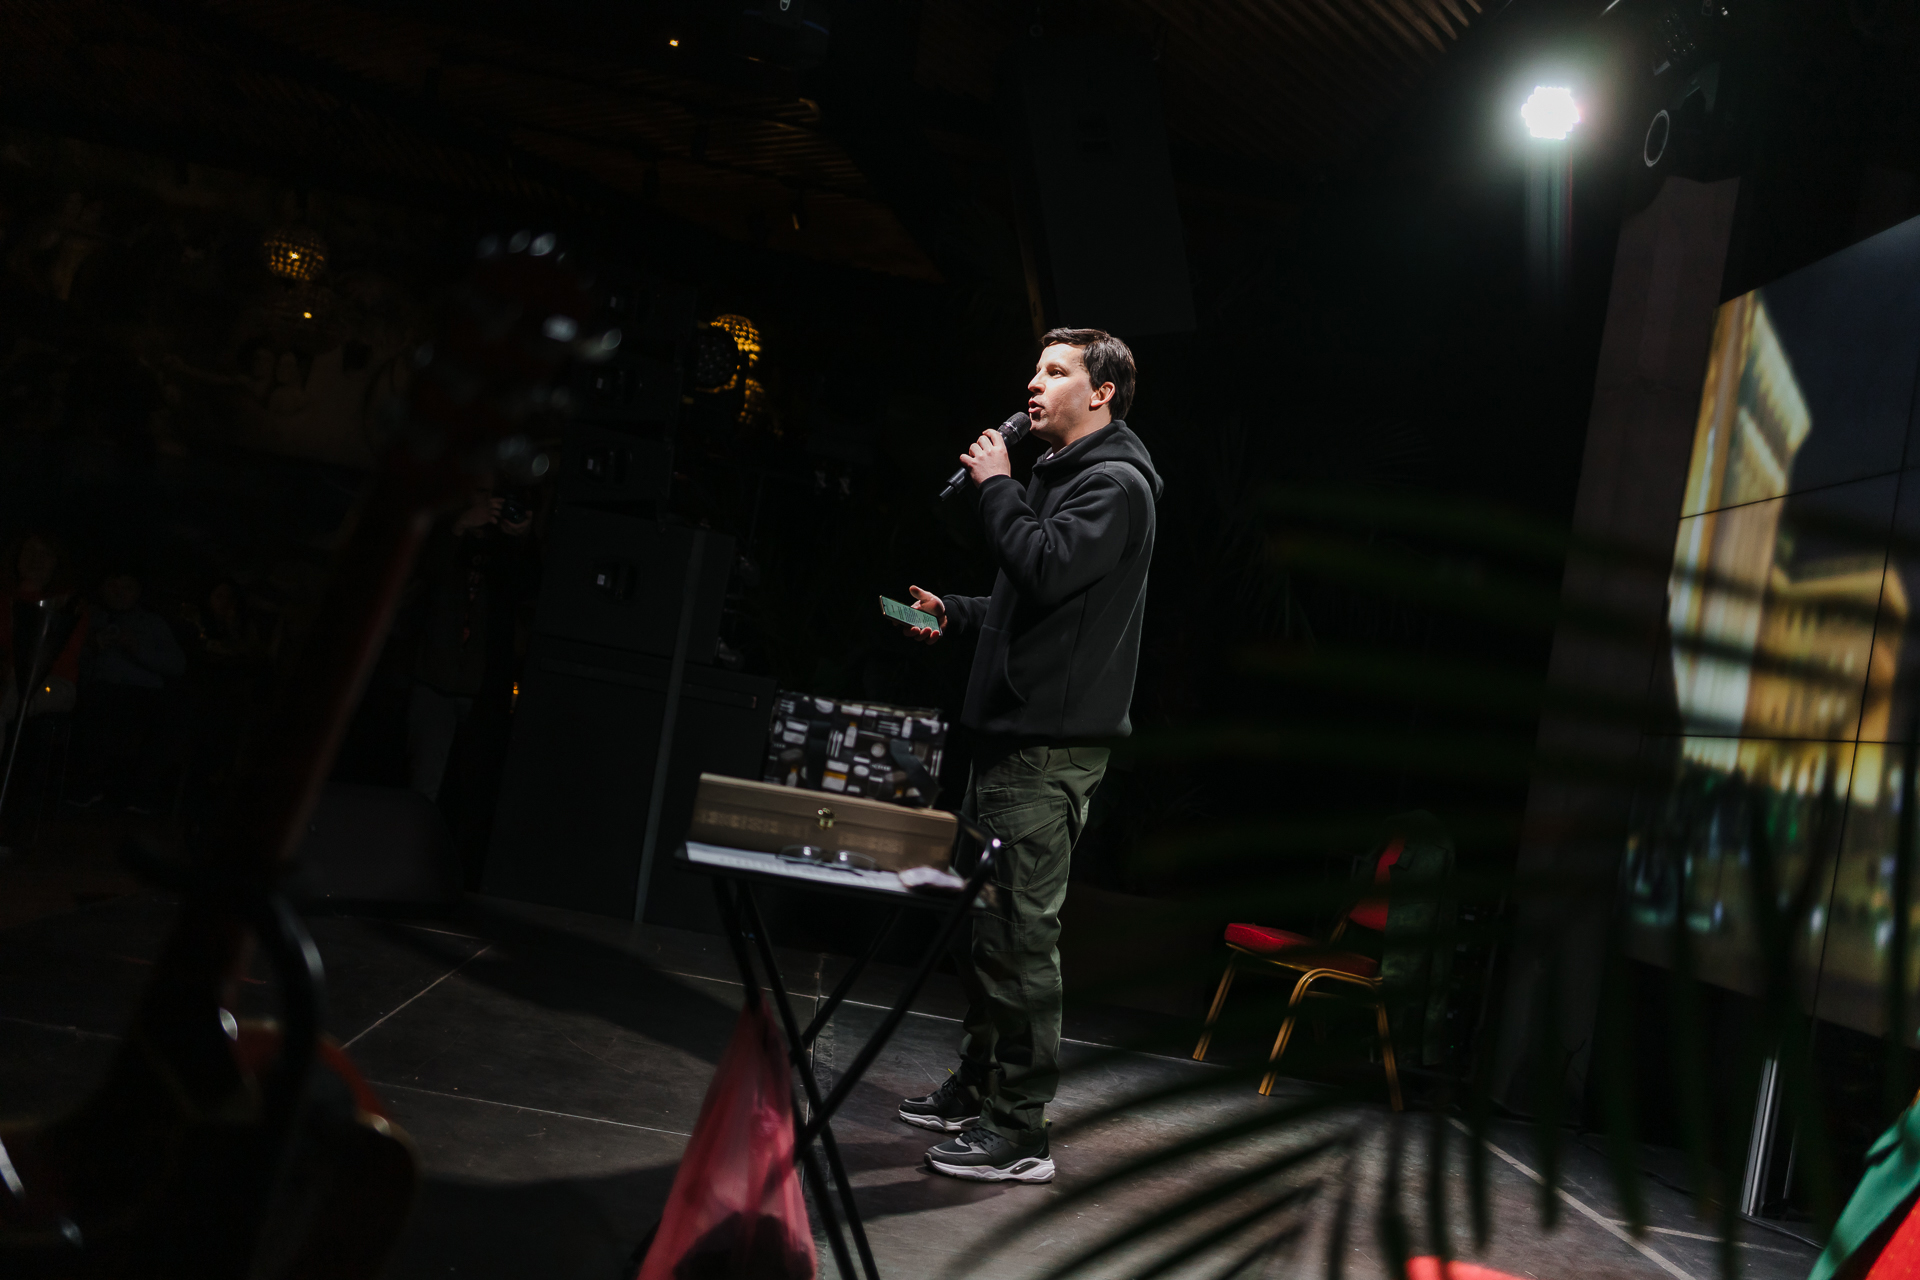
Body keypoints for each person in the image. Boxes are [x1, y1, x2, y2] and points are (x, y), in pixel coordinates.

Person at [891, 328, 1161, 1183]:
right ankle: (979, 1087)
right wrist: (957, 612)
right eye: (1035, 370)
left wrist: (997, 485)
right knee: (984, 927)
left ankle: (1019, 1133)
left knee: (1017, 934)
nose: (1034, 385)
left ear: (1102, 392)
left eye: (1056, 372)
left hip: (1048, 752)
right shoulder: (1061, 476)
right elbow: (1031, 603)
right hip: (1010, 741)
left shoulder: (1114, 486)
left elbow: (1043, 568)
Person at [70, 570, 186, 815]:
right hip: (101, 690)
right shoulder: (89, 617)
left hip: (145, 693)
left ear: (138, 592)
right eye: (114, 586)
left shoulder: (152, 623)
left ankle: (139, 791)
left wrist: (137, 649)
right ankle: (89, 785)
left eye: (128, 587)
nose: (120, 593)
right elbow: (70, 658)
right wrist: (92, 647)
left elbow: (177, 664)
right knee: (97, 704)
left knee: (166, 715)